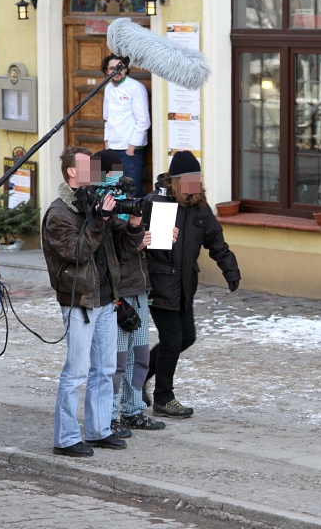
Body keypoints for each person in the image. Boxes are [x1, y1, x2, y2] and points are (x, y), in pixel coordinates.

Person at [42, 147, 145, 457]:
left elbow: (123, 247)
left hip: (105, 298)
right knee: (76, 372)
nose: (95, 171)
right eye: (88, 166)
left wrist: (135, 222)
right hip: (79, 301)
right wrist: (97, 220)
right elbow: (76, 252)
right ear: (72, 172)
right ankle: (66, 438)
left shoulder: (95, 202)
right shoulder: (60, 213)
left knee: (105, 368)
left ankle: (100, 430)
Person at [143, 151, 241, 418]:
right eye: (188, 179)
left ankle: (139, 376)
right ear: (175, 180)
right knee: (172, 339)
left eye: (196, 178)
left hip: (185, 285)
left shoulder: (200, 207)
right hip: (158, 283)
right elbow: (144, 243)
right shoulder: (158, 202)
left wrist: (230, 271)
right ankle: (164, 398)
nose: (193, 183)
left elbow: (216, 242)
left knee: (186, 337)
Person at [93, 150, 167, 437]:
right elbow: (108, 249)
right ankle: (111, 415)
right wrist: (136, 238)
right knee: (117, 361)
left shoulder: (127, 199)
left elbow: (134, 238)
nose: (117, 178)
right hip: (117, 291)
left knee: (140, 356)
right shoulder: (100, 206)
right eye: (112, 172)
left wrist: (157, 236)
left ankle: (134, 409)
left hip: (138, 287)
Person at [102, 53, 151, 198]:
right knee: (113, 190)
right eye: (112, 68)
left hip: (130, 151)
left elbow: (143, 120)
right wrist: (107, 142)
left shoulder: (136, 87)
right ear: (107, 71)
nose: (116, 71)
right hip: (112, 149)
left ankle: (135, 221)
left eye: (120, 68)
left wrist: (132, 146)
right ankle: (117, 221)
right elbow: (107, 118)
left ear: (126, 69)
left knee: (132, 192)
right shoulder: (108, 88)